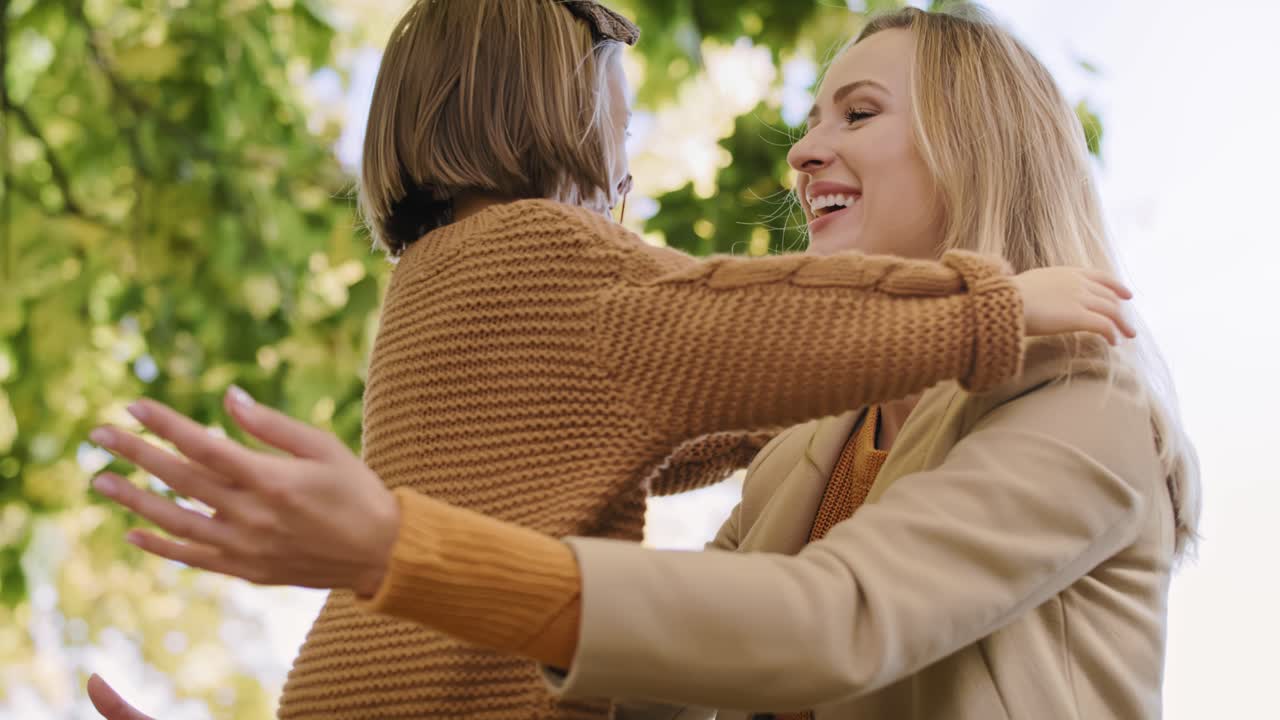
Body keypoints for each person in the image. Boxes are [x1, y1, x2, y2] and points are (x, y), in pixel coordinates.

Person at [82, 3, 1168, 720]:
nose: (799, 150)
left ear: (974, 145)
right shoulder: (807, 446)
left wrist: (402, 551)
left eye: (858, 111)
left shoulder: (1086, 398)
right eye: (809, 116)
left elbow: (828, 623)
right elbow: (678, 665)